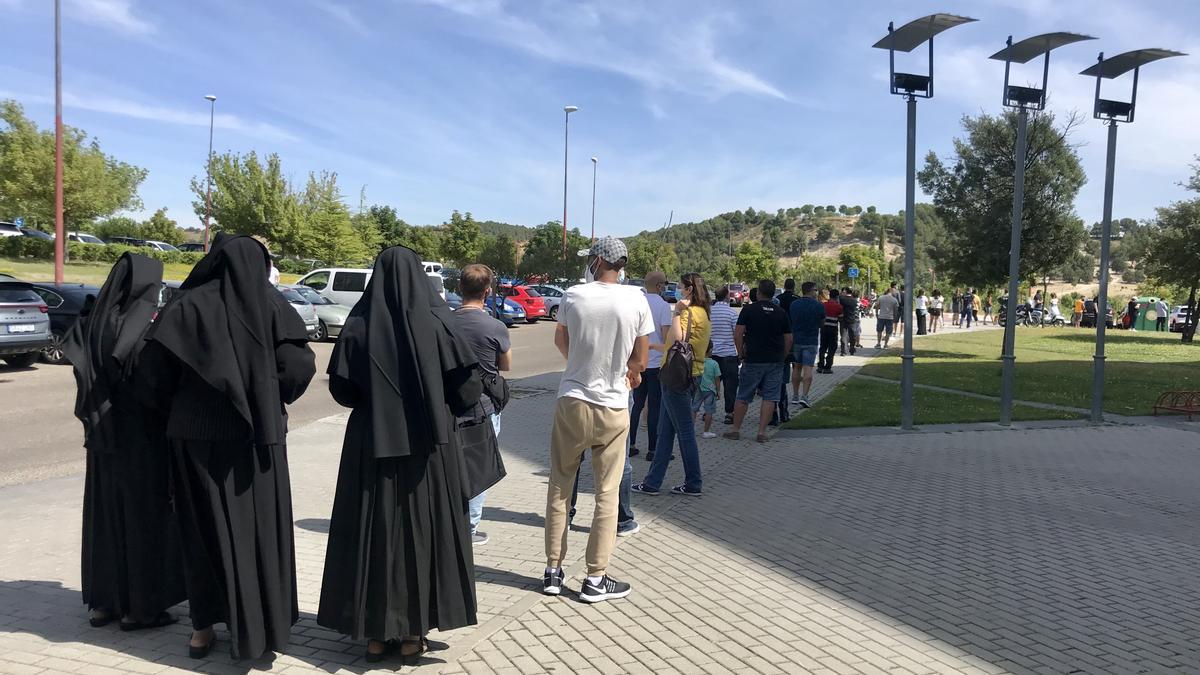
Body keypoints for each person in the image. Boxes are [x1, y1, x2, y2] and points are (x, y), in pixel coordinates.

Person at [137, 235, 316, 660]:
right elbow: (298, 368)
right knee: (258, 532)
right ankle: (256, 627)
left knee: (201, 530)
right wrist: (269, 398)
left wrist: (179, 407)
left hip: (193, 436)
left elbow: (153, 375)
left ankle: (202, 628)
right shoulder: (274, 305)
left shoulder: (187, 305)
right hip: (258, 439)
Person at [317, 247, 482, 663]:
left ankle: (375, 634)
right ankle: (412, 633)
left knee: (373, 532)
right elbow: (468, 390)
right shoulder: (439, 321)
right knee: (421, 535)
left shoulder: (358, 321)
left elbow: (342, 390)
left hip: (371, 445)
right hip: (428, 447)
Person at [64, 253, 185, 632]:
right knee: (143, 520)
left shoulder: (94, 320)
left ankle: (103, 603)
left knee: (105, 519)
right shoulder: (142, 322)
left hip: (101, 436)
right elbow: (153, 383)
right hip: (141, 437)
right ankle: (141, 609)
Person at [543, 236, 653, 602]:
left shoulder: (575, 295)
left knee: (561, 486)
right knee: (606, 492)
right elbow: (641, 356)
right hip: (613, 404)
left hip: (573, 398)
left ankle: (553, 570)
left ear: (597, 260)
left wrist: (578, 364)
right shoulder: (636, 298)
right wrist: (630, 374)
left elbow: (561, 339)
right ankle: (595, 577)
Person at [634, 272, 711, 496]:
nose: (676, 289)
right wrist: (653, 347)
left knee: (685, 432)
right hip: (690, 373)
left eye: (680, 286)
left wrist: (677, 311)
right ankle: (652, 482)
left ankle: (693, 483)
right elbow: (679, 346)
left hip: (677, 377)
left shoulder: (687, 312)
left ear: (688, 290)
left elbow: (677, 340)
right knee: (665, 432)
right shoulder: (704, 313)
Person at [451, 264, 512, 547]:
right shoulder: (495, 326)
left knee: (450, 466)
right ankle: (470, 529)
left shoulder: (445, 323)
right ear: (488, 292)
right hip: (484, 407)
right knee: (479, 469)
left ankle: (449, 521)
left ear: (460, 288)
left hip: (449, 404)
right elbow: (506, 365)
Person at [723, 280, 792, 443]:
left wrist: (740, 354)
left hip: (753, 359)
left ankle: (735, 430)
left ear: (759, 292)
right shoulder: (780, 312)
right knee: (770, 397)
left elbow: (738, 334)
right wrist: (783, 356)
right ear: (773, 293)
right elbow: (789, 338)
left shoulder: (748, 310)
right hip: (775, 360)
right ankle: (761, 433)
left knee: (744, 396)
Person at [628, 271, 672, 460]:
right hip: (655, 363)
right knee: (654, 407)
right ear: (660, 286)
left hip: (637, 361)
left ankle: (630, 444)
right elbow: (666, 336)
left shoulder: (636, 303)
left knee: (635, 406)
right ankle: (653, 449)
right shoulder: (663, 306)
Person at [789, 281, 824, 408]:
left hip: (797, 339)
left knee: (796, 367)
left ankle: (795, 395)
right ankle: (805, 396)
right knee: (808, 368)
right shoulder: (818, 305)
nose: (816, 292)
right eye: (815, 290)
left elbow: (792, 320)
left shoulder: (794, 304)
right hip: (811, 340)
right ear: (810, 290)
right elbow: (822, 322)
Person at [710, 286, 740, 425]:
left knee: (710, 385)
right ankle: (729, 413)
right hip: (728, 354)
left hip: (712, 354)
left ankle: (708, 411)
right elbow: (736, 334)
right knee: (730, 386)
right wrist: (740, 352)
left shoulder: (709, 312)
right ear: (727, 296)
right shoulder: (732, 313)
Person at [692, 343, 720, 439]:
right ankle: (706, 431)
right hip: (710, 390)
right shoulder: (714, 364)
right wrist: (718, 391)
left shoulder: (697, 362)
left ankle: (690, 429)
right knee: (709, 411)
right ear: (711, 350)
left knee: (694, 408)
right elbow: (717, 379)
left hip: (699, 388)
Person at [818, 288, 843, 374]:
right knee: (832, 347)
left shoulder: (824, 305)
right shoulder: (839, 306)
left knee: (823, 347)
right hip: (833, 329)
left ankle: (820, 366)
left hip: (824, 328)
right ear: (837, 297)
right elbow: (841, 318)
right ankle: (828, 367)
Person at [839, 287, 858, 355]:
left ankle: (843, 350)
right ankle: (852, 349)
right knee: (852, 335)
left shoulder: (842, 299)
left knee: (843, 335)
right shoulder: (854, 300)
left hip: (843, 319)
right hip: (851, 319)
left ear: (846, 292)